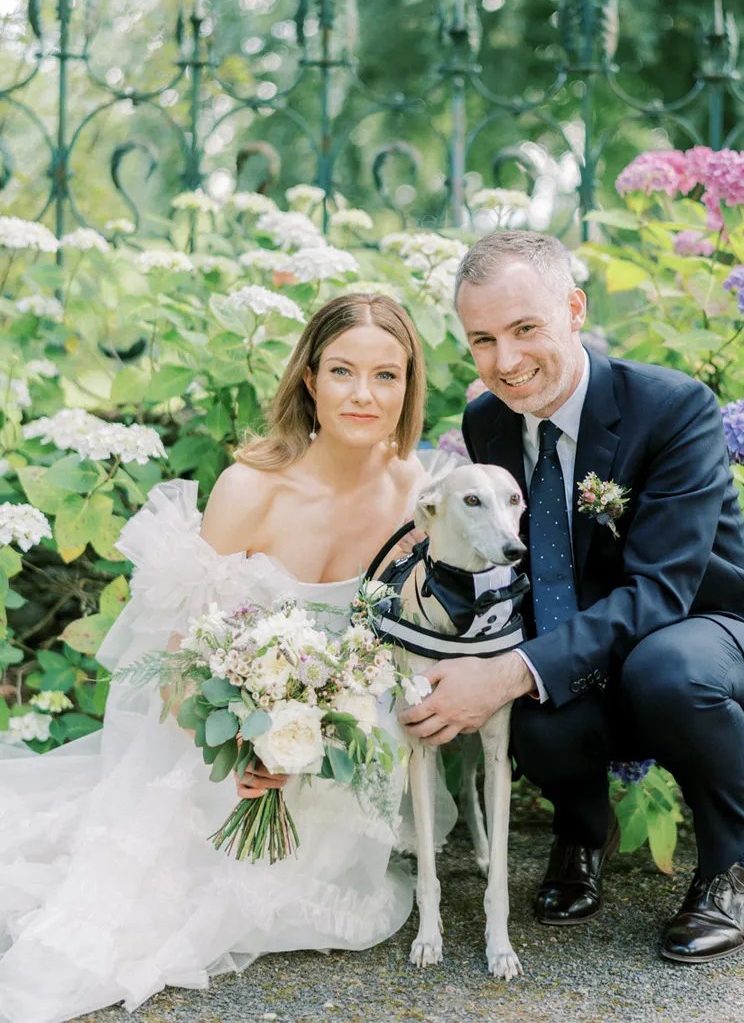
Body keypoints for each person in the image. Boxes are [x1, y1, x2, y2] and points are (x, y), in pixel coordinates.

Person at [0, 292, 452, 1023]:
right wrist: (246, 742)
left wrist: (326, 730)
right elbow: (178, 664)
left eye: (386, 376)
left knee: (332, 906)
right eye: (342, 372)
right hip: (223, 756)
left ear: (409, 387)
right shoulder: (253, 490)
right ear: (309, 379)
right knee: (123, 919)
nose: (364, 395)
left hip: (335, 760)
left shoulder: (417, 495)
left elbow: (413, 647)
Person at [401, 230, 744, 963]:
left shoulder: (673, 408)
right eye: (483, 340)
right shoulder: (487, 421)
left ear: (575, 310)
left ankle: (729, 864)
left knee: (660, 669)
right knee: (530, 709)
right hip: (586, 634)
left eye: (526, 329)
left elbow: (661, 589)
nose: (507, 362)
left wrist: (511, 669)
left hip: (703, 628)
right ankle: (582, 833)